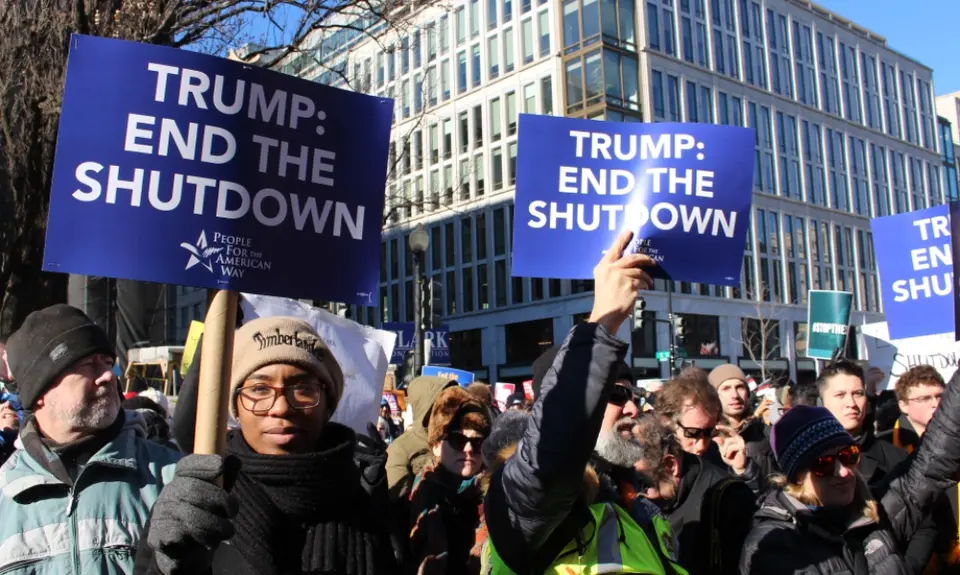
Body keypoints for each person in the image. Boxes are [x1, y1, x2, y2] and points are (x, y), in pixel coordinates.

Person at [481, 230, 684, 574]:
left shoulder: (634, 505)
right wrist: (604, 319)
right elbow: (553, 451)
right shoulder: (526, 499)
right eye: (616, 395)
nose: (633, 408)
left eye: (632, 395)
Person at [135, 316, 399, 575]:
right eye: (260, 389)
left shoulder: (365, 499)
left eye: (303, 388)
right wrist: (171, 564)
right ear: (236, 407)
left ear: (328, 405)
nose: (281, 407)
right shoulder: (197, 498)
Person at [0, 304, 180, 574]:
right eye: (88, 365)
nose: (108, 375)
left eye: (107, 363)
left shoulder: (169, 474)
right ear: (40, 391)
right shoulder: (6, 493)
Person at [740, 395, 960, 574]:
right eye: (823, 464)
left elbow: (936, 455)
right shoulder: (775, 545)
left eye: (847, 455)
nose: (843, 471)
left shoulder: (873, 511)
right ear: (796, 476)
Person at [629, 414, 755, 575]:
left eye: (642, 484)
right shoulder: (655, 501)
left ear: (670, 465)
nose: (634, 495)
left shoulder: (729, 498)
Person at [879, 365, 959, 573]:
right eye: (924, 399)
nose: (935, 404)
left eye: (940, 396)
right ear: (903, 405)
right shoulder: (884, 447)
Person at [408, 386, 491, 574]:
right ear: (436, 445)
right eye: (458, 441)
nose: (468, 449)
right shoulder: (422, 495)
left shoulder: (497, 494)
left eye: (477, 442)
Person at [387, 375, 458, 501]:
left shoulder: (458, 438)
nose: (449, 409)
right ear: (426, 405)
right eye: (442, 403)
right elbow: (396, 498)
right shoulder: (401, 448)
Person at [708, 364, 778, 481]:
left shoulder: (767, 434)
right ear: (714, 396)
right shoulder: (706, 437)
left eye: (740, 387)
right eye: (726, 388)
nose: (735, 395)